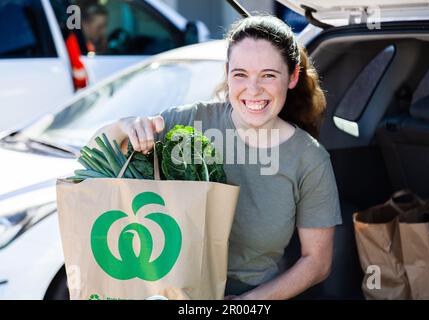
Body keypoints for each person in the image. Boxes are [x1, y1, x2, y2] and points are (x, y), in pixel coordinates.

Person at [87, 15, 342, 300]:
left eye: (268, 75)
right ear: (227, 73)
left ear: (292, 77)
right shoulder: (192, 122)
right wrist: (124, 127)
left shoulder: (309, 159)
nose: (253, 89)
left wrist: (244, 304)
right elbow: (94, 156)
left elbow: (317, 262)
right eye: (240, 74)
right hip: (171, 292)